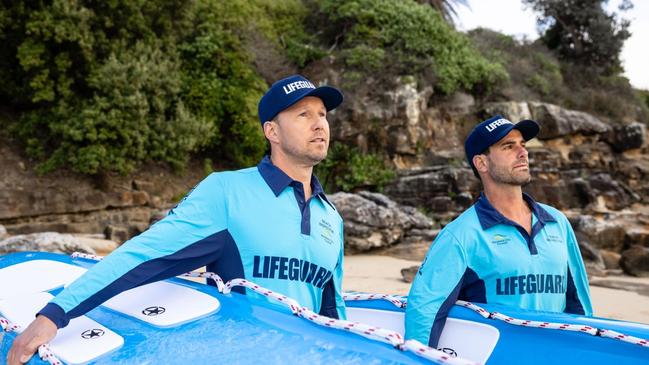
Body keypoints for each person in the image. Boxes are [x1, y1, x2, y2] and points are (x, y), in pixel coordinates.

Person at [7, 74, 347, 365]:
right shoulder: (227, 192)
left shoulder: (329, 217)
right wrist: (55, 314)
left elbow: (333, 312)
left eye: (322, 114)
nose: (319, 124)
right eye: (303, 114)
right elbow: (144, 254)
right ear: (272, 131)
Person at [404, 115, 593, 348]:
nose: (522, 152)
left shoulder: (557, 222)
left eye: (523, 145)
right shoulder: (461, 235)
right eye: (508, 146)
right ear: (481, 163)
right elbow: (424, 312)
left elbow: (580, 305)